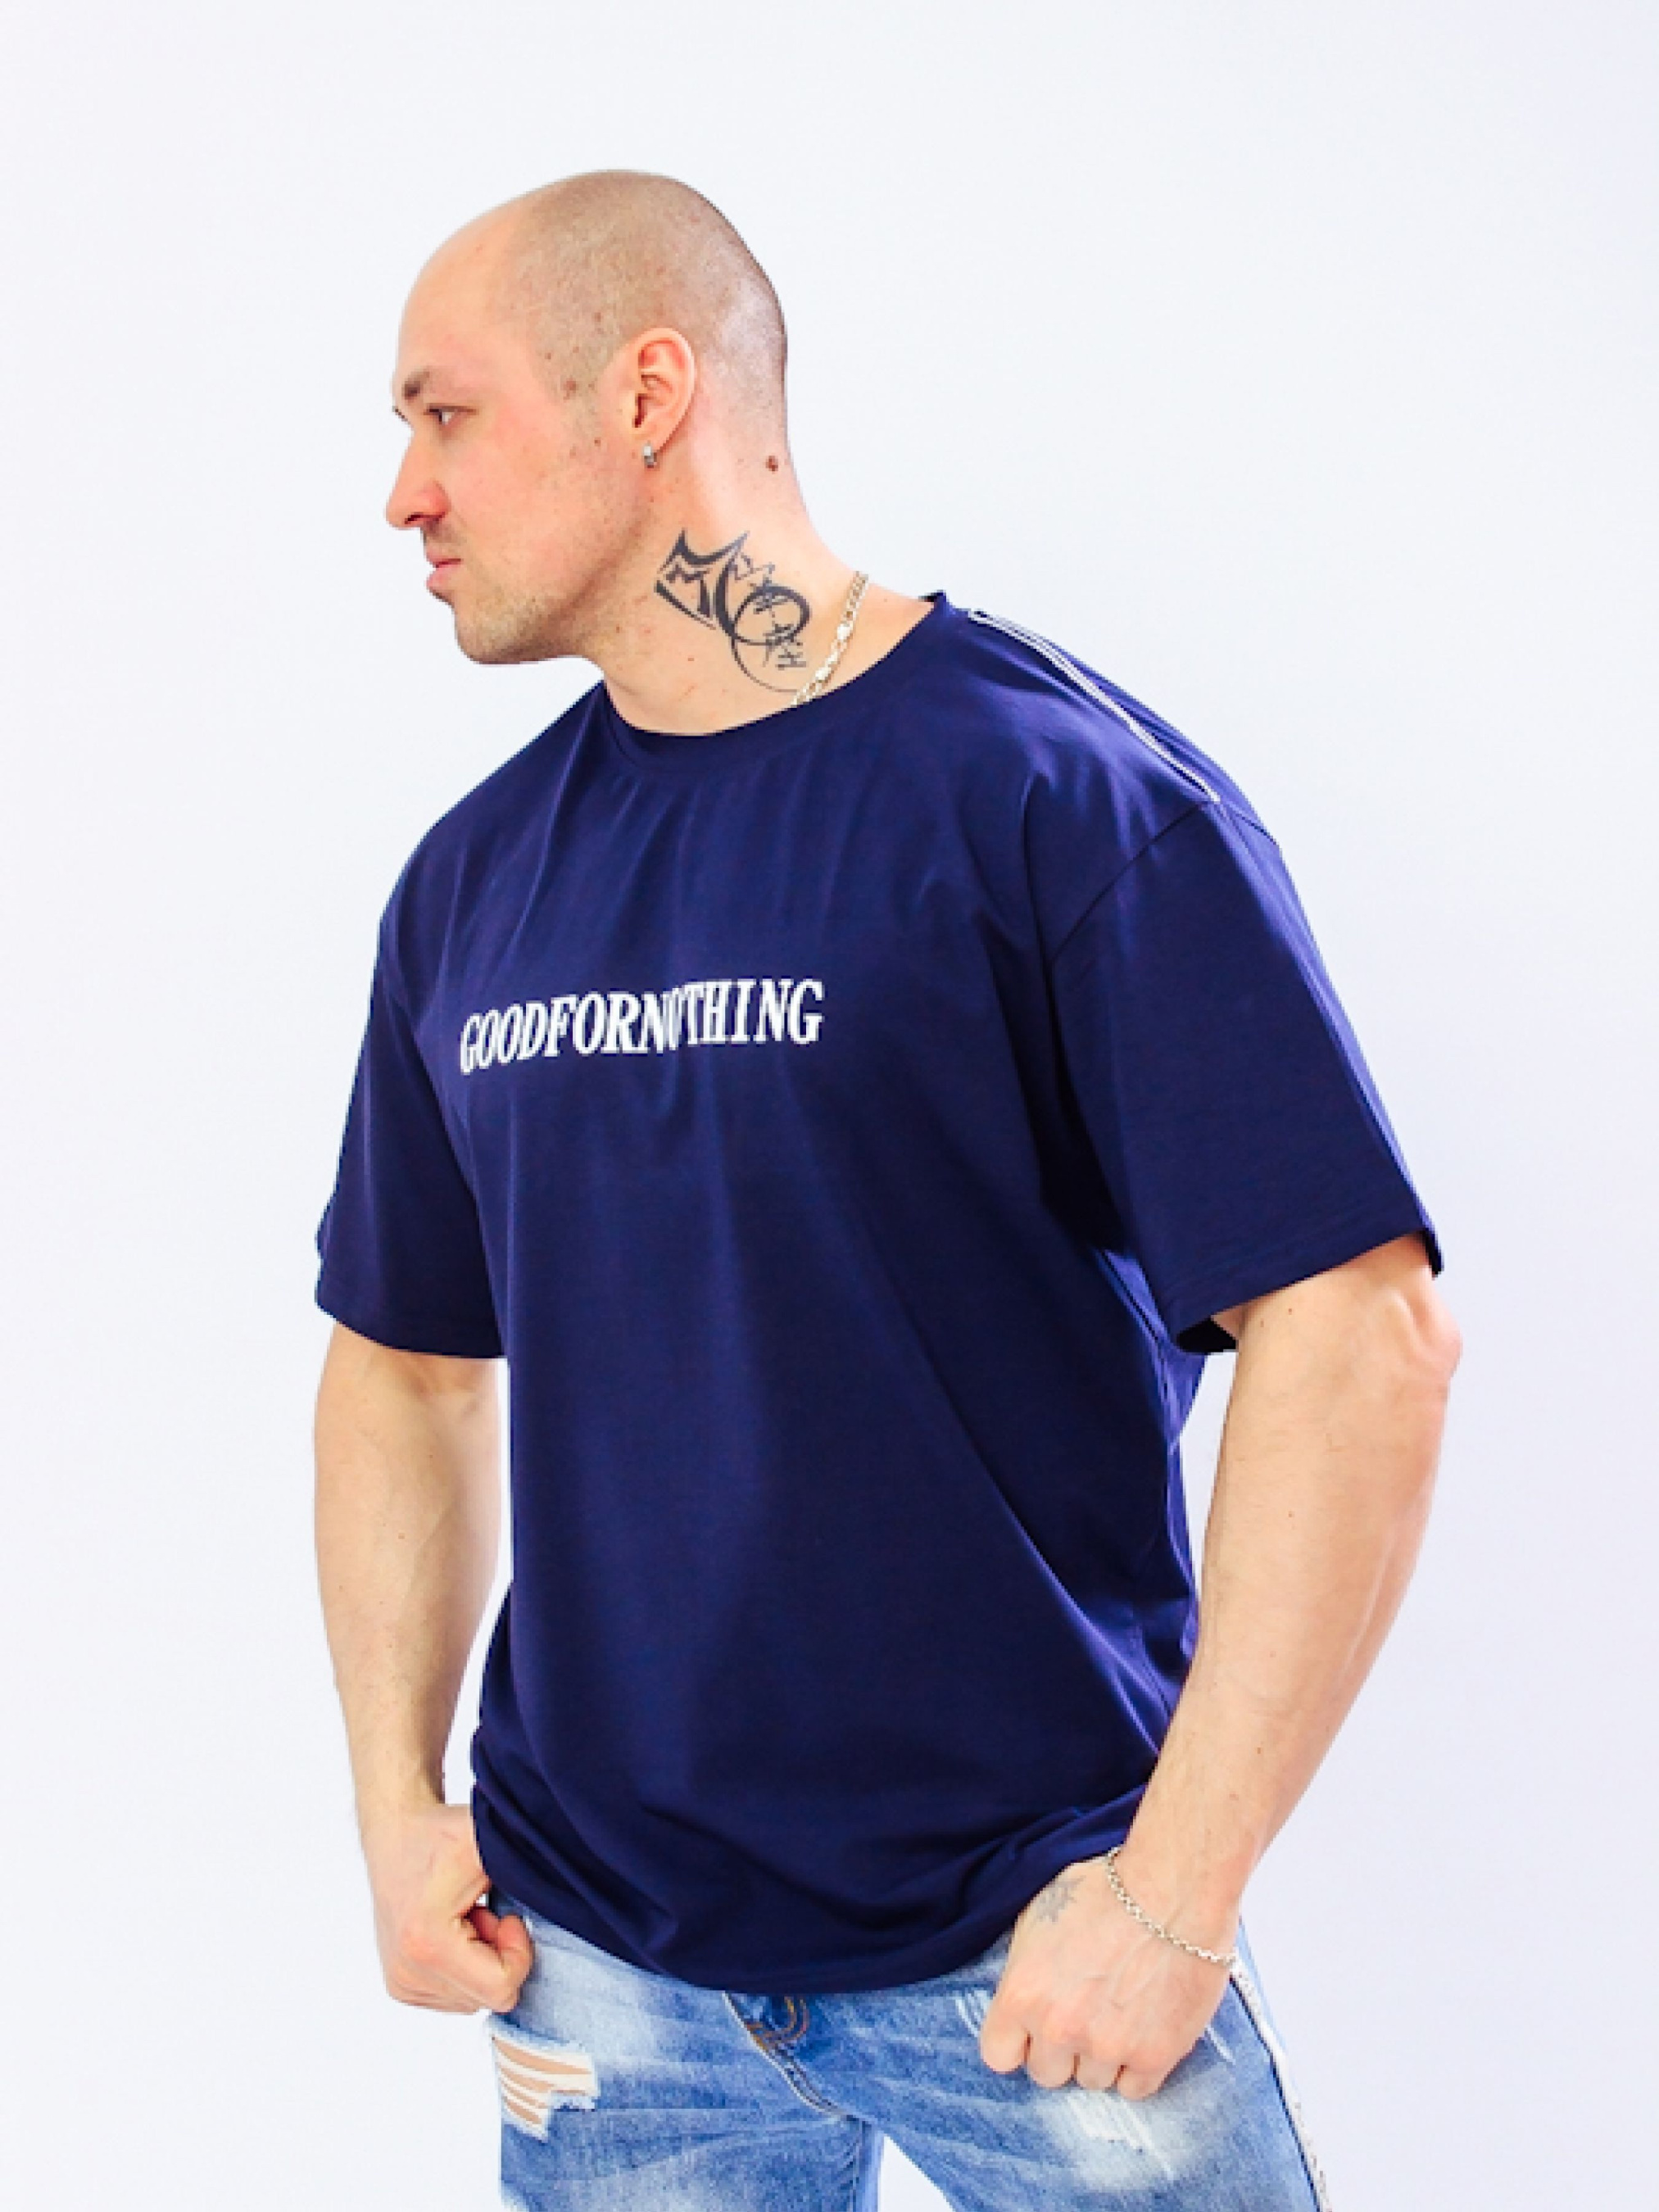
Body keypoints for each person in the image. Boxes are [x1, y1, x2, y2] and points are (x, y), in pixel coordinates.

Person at [312, 169, 1459, 2211]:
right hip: (607, 1976)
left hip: (1039, 1954)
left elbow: (1357, 1331)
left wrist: (1175, 1894)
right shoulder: (472, 885)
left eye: (444, 415)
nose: (406, 494)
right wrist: (397, 1807)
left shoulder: (1047, 797)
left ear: (643, 392)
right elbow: (403, 1364)